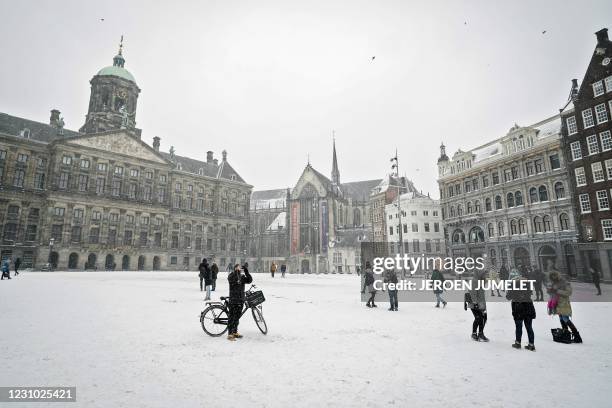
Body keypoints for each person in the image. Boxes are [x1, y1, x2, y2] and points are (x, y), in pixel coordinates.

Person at [548, 270, 582, 343]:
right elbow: (552, 292)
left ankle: (577, 336)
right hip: (557, 303)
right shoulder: (553, 283)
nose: (553, 277)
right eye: (552, 276)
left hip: (563, 303)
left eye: (554, 276)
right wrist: (550, 290)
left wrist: (557, 291)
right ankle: (565, 335)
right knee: (561, 318)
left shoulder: (564, 283)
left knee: (565, 318)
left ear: (557, 275)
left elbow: (569, 292)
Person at [506, 269, 536, 351]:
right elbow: (530, 292)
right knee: (529, 327)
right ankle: (531, 344)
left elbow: (508, 297)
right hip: (528, 306)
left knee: (519, 326)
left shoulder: (513, 284)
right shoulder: (527, 283)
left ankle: (518, 343)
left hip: (518, 307)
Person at [227, 263, 253, 341]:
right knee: (232, 317)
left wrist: (246, 271)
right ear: (234, 269)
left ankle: (235, 332)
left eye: (239, 268)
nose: (239, 269)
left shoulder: (242, 277)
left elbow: (249, 280)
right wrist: (236, 272)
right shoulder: (231, 275)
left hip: (240, 300)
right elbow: (232, 280)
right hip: (233, 300)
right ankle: (230, 334)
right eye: (237, 268)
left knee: (237, 318)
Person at [466, 269, 488, 341]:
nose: (485, 275)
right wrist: (475, 303)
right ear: (480, 274)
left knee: (483, 318)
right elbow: (473, 293)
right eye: (484, 274)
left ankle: (475, 334)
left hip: (481, 303)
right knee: (480, 318)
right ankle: (479, 334)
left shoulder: (481, 281)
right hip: (475, 303)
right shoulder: (474, 281)